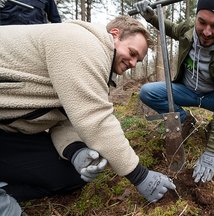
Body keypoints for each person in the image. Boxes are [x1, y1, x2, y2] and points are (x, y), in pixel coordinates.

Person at [0, 15, 175, 215]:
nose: (134, 63)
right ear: (114, 35)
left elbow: (66, 117)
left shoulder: (91, 65)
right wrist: (140, 175)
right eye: (132, 52)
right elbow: (96, 119)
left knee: (72, 176)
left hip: (7, 133)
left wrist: (75, 152)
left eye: (139, 60)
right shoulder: (80, 41)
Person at [135, 0, 214, 183]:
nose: (206, 32)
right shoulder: (189, 28)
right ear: (196, 18)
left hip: (211, 96)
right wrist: (151, 17)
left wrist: (211, 151)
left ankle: (212, 130)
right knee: (148, 92)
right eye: (202, 22)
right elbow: (172, 28)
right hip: (185, 90)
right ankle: (184, 120)